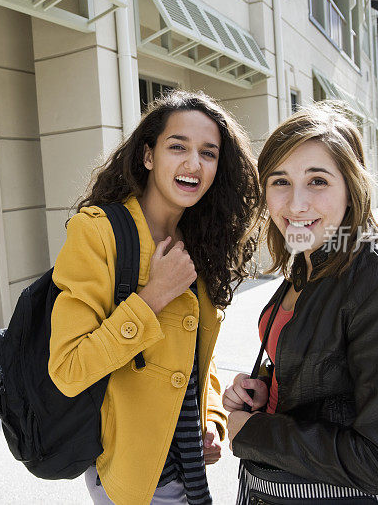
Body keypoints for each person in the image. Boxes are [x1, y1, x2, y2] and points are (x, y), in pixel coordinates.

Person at [48, 90, 260, 504]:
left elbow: (198, 351)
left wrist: (212, 418)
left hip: (188, 466)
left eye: (208, 153)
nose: (193, 164)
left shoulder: (199, 239)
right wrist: (151, 299)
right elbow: (69, 369)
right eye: (177, 146)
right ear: (148, 156)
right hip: (134, 478)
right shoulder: (98, 233)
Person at [223, 102, 378, 504]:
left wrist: (253, 432)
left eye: (317, 181)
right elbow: (320, 373)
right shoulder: (307, 264)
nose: (296, 204)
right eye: (280, 181)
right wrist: (265, 389)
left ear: (351, 189)